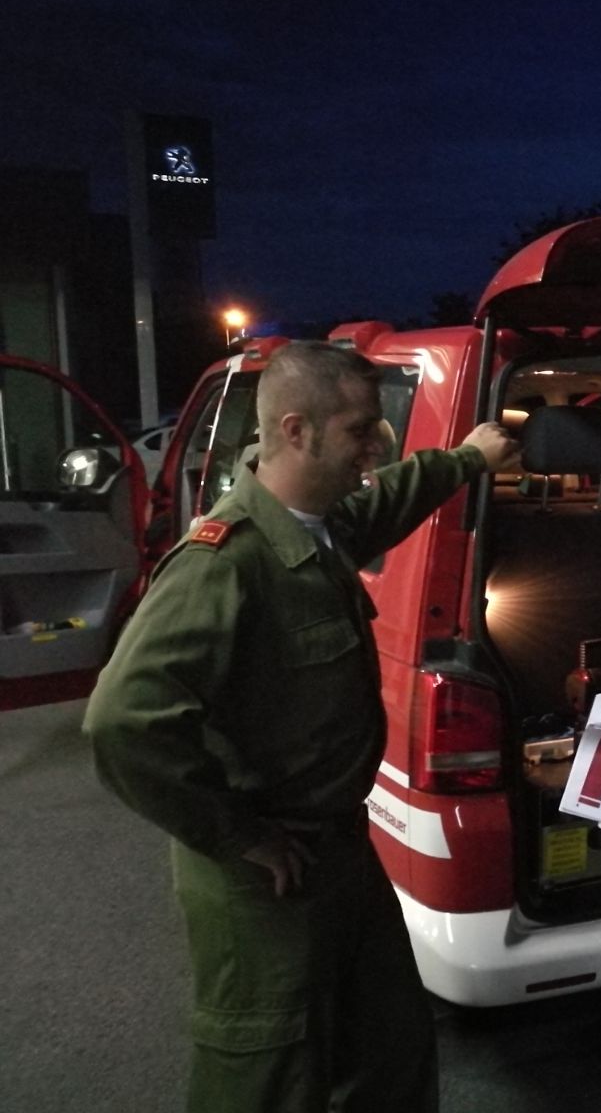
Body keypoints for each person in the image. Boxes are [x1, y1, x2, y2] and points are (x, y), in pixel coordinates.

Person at [83, 341, 520, 1113]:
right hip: (266, 877)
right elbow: (123, 721)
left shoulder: (319, 528)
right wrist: (239, 835)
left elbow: (392, 496)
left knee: (388, 1048)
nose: (376, 446)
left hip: (339, 851)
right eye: (359, 430)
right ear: (296, 430)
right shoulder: (224, 564)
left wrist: (468, 458)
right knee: (269, 1074)